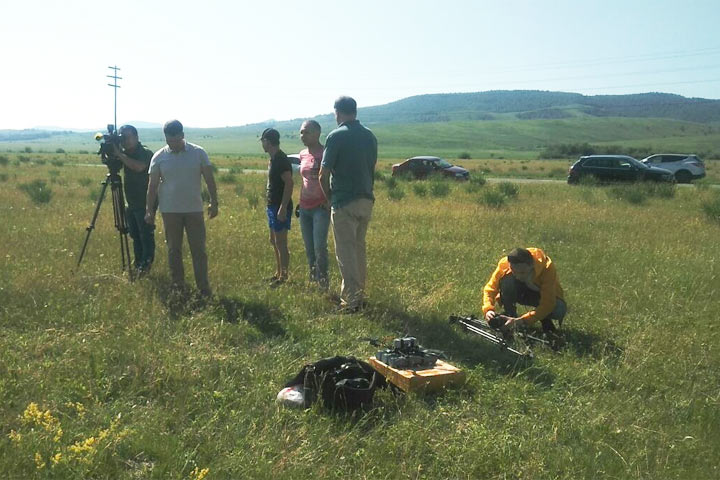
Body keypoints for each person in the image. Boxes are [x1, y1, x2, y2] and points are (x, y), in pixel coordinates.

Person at [144, 120, 218, 296]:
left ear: (182, 136)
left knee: (198, 250)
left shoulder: (198, 153)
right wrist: (149, 210)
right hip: (169, 211)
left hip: (194, 209)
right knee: (174, 249)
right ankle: (178, 285)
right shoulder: (159, 157)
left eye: (176, 141)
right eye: (169, 141)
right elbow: (152, 186)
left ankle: (203, 287)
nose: (173, 145)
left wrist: (214, 202)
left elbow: (209, 179)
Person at [319, 96, 377, 312]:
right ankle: (360, 295)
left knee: (345, 252)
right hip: (366, 199)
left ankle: (351, 301)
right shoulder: (370, 136)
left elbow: (323, 174)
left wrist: (328, 198)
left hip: (344, 200)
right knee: (359, 249)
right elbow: (371, 168)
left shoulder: (336, 136)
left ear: (338, 112)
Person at [482, 247, 567, 334]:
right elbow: (490, 289)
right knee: (507, 281)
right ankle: (509, 315)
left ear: (532, 265)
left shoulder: (547, 267)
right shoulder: (505, 264)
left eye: (522, 272)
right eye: (514, 271)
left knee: (559, 309)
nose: (518, 276)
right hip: (519, 293)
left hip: (540, 295)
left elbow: (548, 303)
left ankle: (544, 319)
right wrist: (488, 310)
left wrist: (522, 321)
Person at [112, 124, 155, 276]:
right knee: (135, 236)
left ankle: (146, 266)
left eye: (128, 137)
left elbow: (138, 167)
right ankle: (138, 264)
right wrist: (114, 154)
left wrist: (119, 154)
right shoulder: (124, 154)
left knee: (145, 235)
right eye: (122, 138)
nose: (125, 141)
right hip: (131, 203)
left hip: (145, 203)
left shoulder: (145, 153)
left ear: (136, 138)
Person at [298, 120, 330, 288]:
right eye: (301, 132)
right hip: (304, 207)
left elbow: (332, 178)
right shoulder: (303, 154)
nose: (303, 136)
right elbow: (303, 180)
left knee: (319, 247)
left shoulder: (326, 153)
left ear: (317, 133)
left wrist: (329, 200)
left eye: (307, 132)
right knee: (309, 248)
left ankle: (323, 284)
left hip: (320, 207)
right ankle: (313, 281)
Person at [261, 127, 293, 286]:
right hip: (272, 204)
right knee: (273, 240)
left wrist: (283, 207)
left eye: (263, 141)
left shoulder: (280, 159)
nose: (262, 144)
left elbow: (289, 182)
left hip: (279, 206)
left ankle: (284, 276)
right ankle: (278, 272)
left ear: (267, 141)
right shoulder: (273, 159)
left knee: (281, 242)